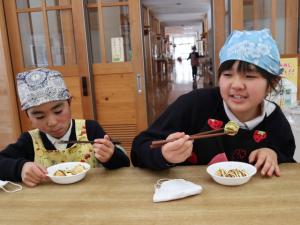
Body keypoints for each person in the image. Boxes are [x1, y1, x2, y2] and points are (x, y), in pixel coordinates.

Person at [131, 29, 296, 177]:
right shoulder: (195, 105)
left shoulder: (274, 119)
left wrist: (273, 154)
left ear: (271, 84)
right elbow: (139, 148)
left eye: (250, 76)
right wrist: (164, 155)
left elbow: (288, 162)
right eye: (228, 74)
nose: (236, 85)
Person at [0, 68, 130, 187]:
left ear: (69, 103)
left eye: (58, 111)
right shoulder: (29, 140)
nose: (52, 122)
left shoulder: (90, 129)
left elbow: (124, 164)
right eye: (39, 116)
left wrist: (110, 156)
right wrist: (20, 168)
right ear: (28, 116)